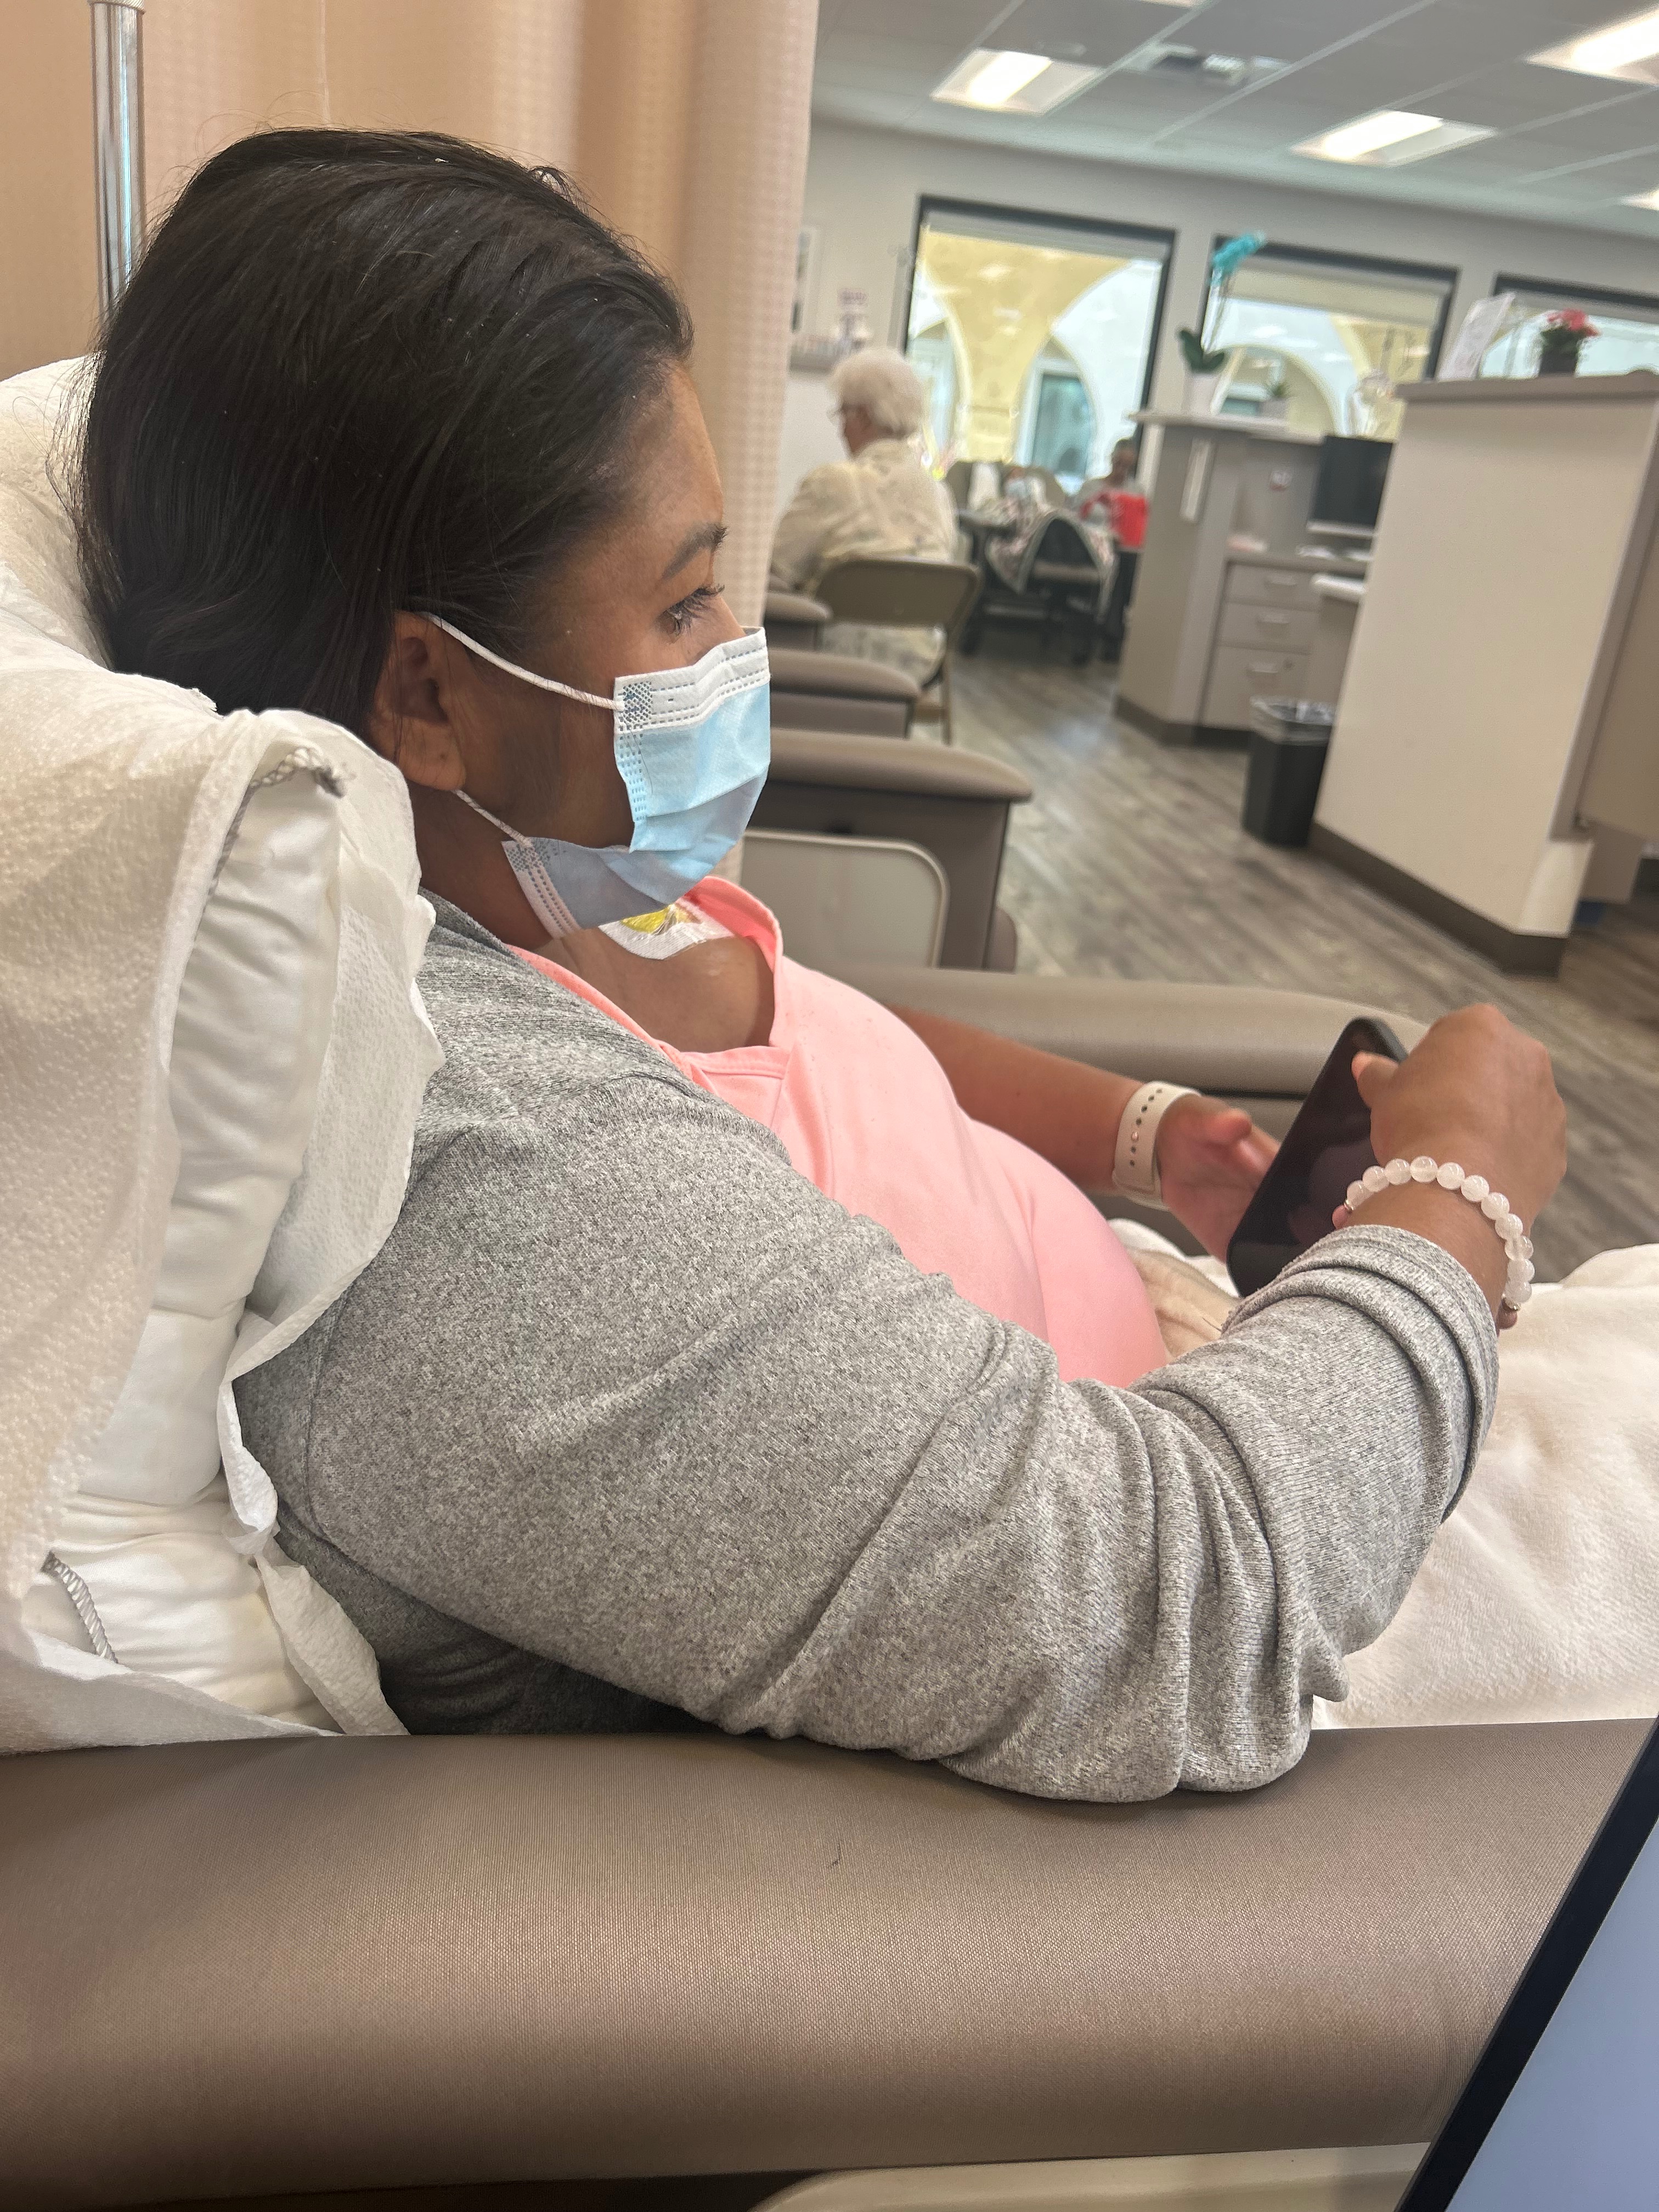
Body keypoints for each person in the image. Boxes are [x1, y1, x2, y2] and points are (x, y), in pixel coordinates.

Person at [77, 131, 1568, 1801]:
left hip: (1216, 1369)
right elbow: (1178, 1608)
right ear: (429, 693)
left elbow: (812, 1031)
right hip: (1272, 1548)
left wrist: (1149, 1137)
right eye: (687, 603)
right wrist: (1458, 1192)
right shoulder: (471, 1188)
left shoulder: (525, 870)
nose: (739, 653)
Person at [769, 345, 958, 681]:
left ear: (865, 417)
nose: (841, 429)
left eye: (843, 414)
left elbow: (776, 568)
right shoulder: (939, 493)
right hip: (918, 668)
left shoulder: (832, 482)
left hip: (828, 661)